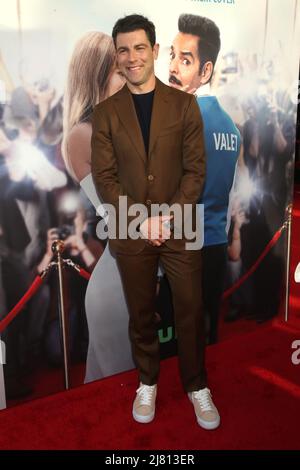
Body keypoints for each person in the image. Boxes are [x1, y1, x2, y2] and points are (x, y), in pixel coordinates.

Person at [91, 14, 220, 430]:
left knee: (189, 310)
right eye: (124, 50)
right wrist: (140, 221)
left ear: (155, 50)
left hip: (180, 228)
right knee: (142, 314)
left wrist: (167, 216)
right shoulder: (106, 113)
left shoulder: (184, 105)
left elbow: (195, 171)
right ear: (117, 56)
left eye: (140, 48)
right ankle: (147, 380)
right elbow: (104, 178)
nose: (132, 57)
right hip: (132, 232)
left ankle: (197, 385)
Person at [62, 31, 135, 381]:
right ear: (98, 75)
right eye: (120, 70)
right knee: (118, 394)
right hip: (119, 283)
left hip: (137, 271)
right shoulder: (83, 135)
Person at [169, 14, 241, 343]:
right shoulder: (232, 129)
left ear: (206, 70)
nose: (172, 67)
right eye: (172, 55)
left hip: (185, 248)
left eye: (185, 60)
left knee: (180, 342)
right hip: (216, 244)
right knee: (209, 336)